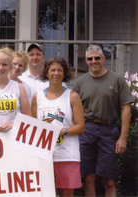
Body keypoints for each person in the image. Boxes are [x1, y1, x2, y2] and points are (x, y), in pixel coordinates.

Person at [73, 45, 133, 197]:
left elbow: (126, 109)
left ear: (103, 58)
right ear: (86, 61)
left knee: (109, 180)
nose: (94, 61)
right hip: (87, 131)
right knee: (88, 178)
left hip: (109, 131)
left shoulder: (117, 79)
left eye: (97, 58)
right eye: (90, 59)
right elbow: (74, 110)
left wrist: (123, 137)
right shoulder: (80, 82)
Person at [31, 57, 85, 197]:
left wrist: (64, 131)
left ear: (64, 73)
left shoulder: (72, 96)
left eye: (59, 70)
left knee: (66, 194)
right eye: (52, 70)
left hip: (67, 155)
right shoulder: (37, 97)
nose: (56, 73)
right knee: (44, 193)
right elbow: (31, 126)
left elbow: (81, 127)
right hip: (43, 155)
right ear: (46, 73)